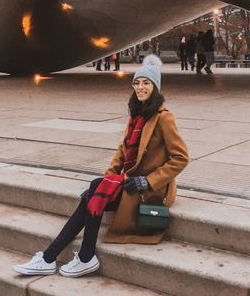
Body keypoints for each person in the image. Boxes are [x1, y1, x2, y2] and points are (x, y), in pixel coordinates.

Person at [12, 55, 189, 278]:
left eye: (146, 83)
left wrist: (149, 180)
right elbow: (122, 151)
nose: (140, 87)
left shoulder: (164, 118)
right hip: (128, 183)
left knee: (94, 191)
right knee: (96, 189)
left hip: (148, 189)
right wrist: (109, 179)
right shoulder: (136, 114)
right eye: (137, 82)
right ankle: (69, 258)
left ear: (155, 86)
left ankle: (57, 258)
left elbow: (181, 157)